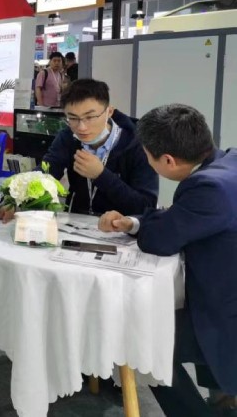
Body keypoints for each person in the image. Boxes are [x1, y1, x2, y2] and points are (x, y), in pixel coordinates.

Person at [99, 104, 237, 417]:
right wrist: (134, 222)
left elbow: (160, 240)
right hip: (224, 295)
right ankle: (223, 401)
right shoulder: (228, 160)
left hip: (226, 316)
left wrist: (139, 226)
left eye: (148, 157)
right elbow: (179, 218)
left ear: (168, 161)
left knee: (141, 342)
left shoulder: (206, 188)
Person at [27, 79, 157, 217]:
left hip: (120, 226)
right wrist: (17, 195)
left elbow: (145, 207)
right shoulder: (67, 137)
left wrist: (101, 175)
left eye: (90, 117)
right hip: (77, 223)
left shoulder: (139, 144)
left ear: (109, 112)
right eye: (73, 118)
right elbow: (46, 173)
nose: (81, 127)